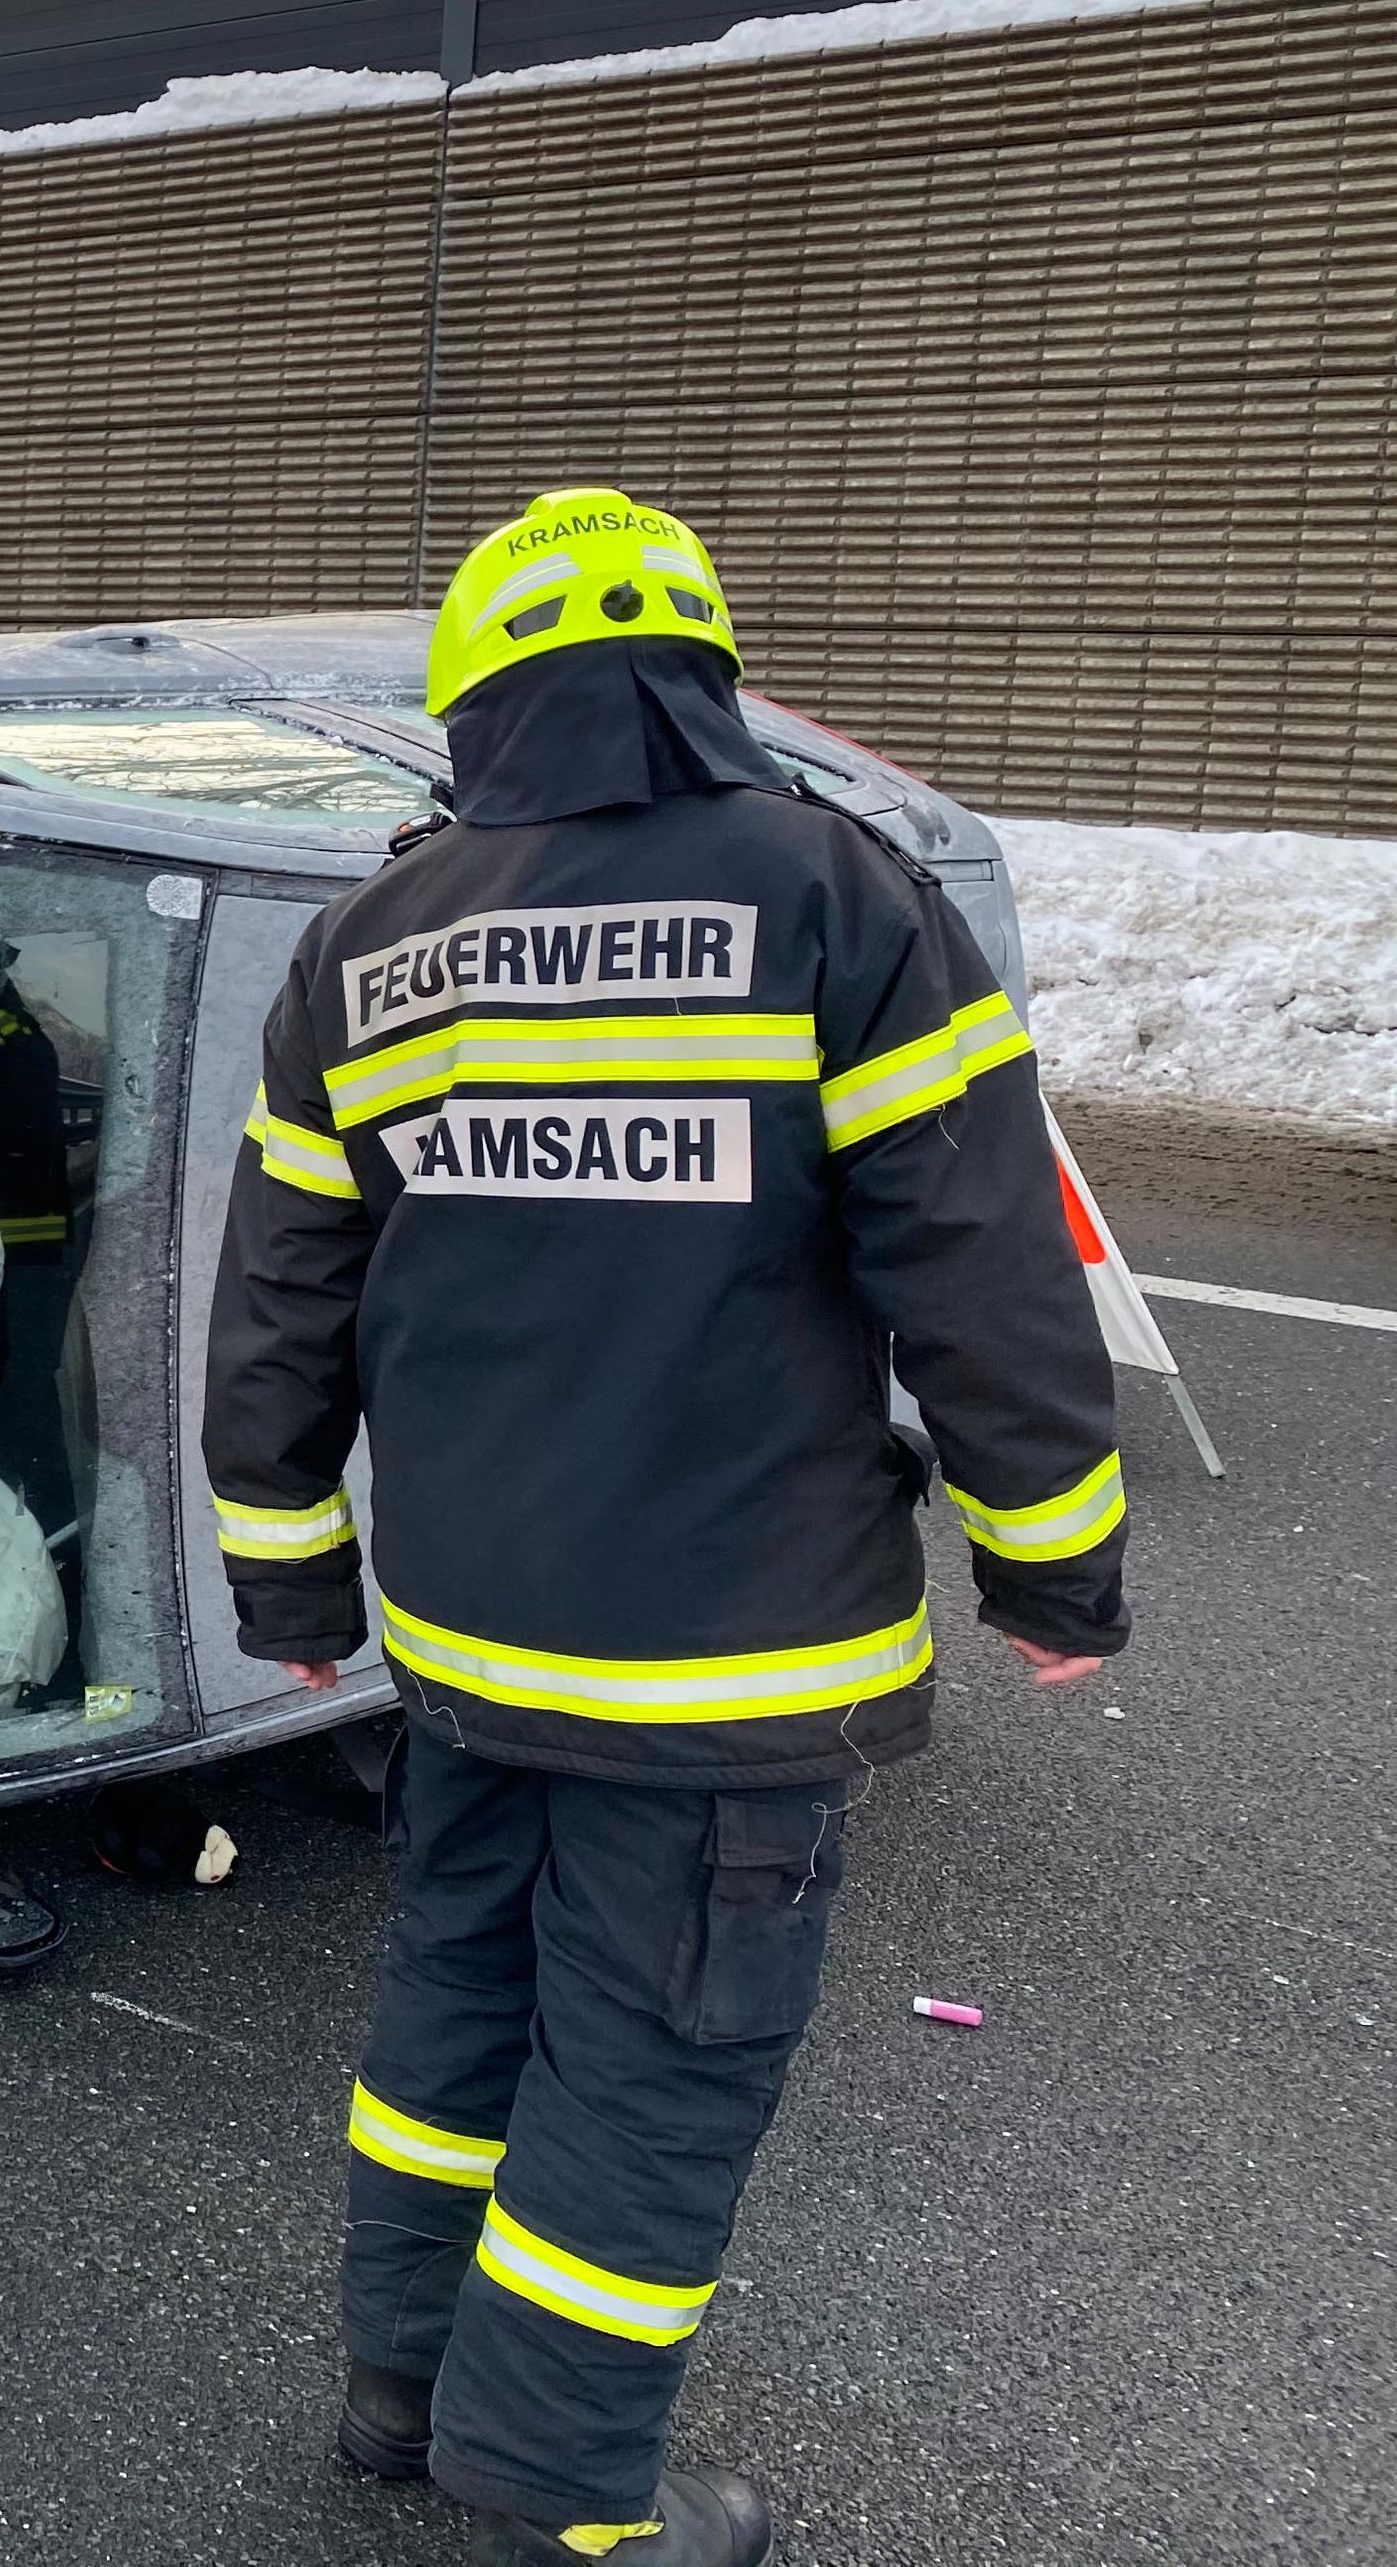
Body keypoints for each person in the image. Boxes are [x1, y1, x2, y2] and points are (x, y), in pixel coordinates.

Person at [204, 490, 1128, 2567]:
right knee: (653, 2059)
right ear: (702, 676)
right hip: (727, 1663)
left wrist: (282, 1571)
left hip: (461, 1640)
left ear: (473, 705)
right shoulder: (827, 893)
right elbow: (973, 1263)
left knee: (454, 1997)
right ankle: (564, 2483)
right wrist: (1049, 1560)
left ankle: (401, 2389)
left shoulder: (372, 939)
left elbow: (279, 1296)